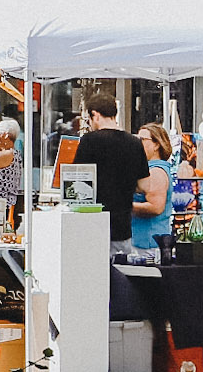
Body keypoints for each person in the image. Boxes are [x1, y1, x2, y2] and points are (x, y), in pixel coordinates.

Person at [72, 91, 153, 257]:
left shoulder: (88, 141)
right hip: (122, 225)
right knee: (120, 275)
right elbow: (146, 186)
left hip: (92, 223)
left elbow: (77, 182)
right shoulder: (134, 142)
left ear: (95, 115)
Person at [130, 123, 175, 260]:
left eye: (142, 140)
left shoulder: (156, 172)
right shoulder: (146, 168)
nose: (137, 143)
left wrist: (122, 206)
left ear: (157, 145)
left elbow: (155, 207)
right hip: (141, 243)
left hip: (148, 245)